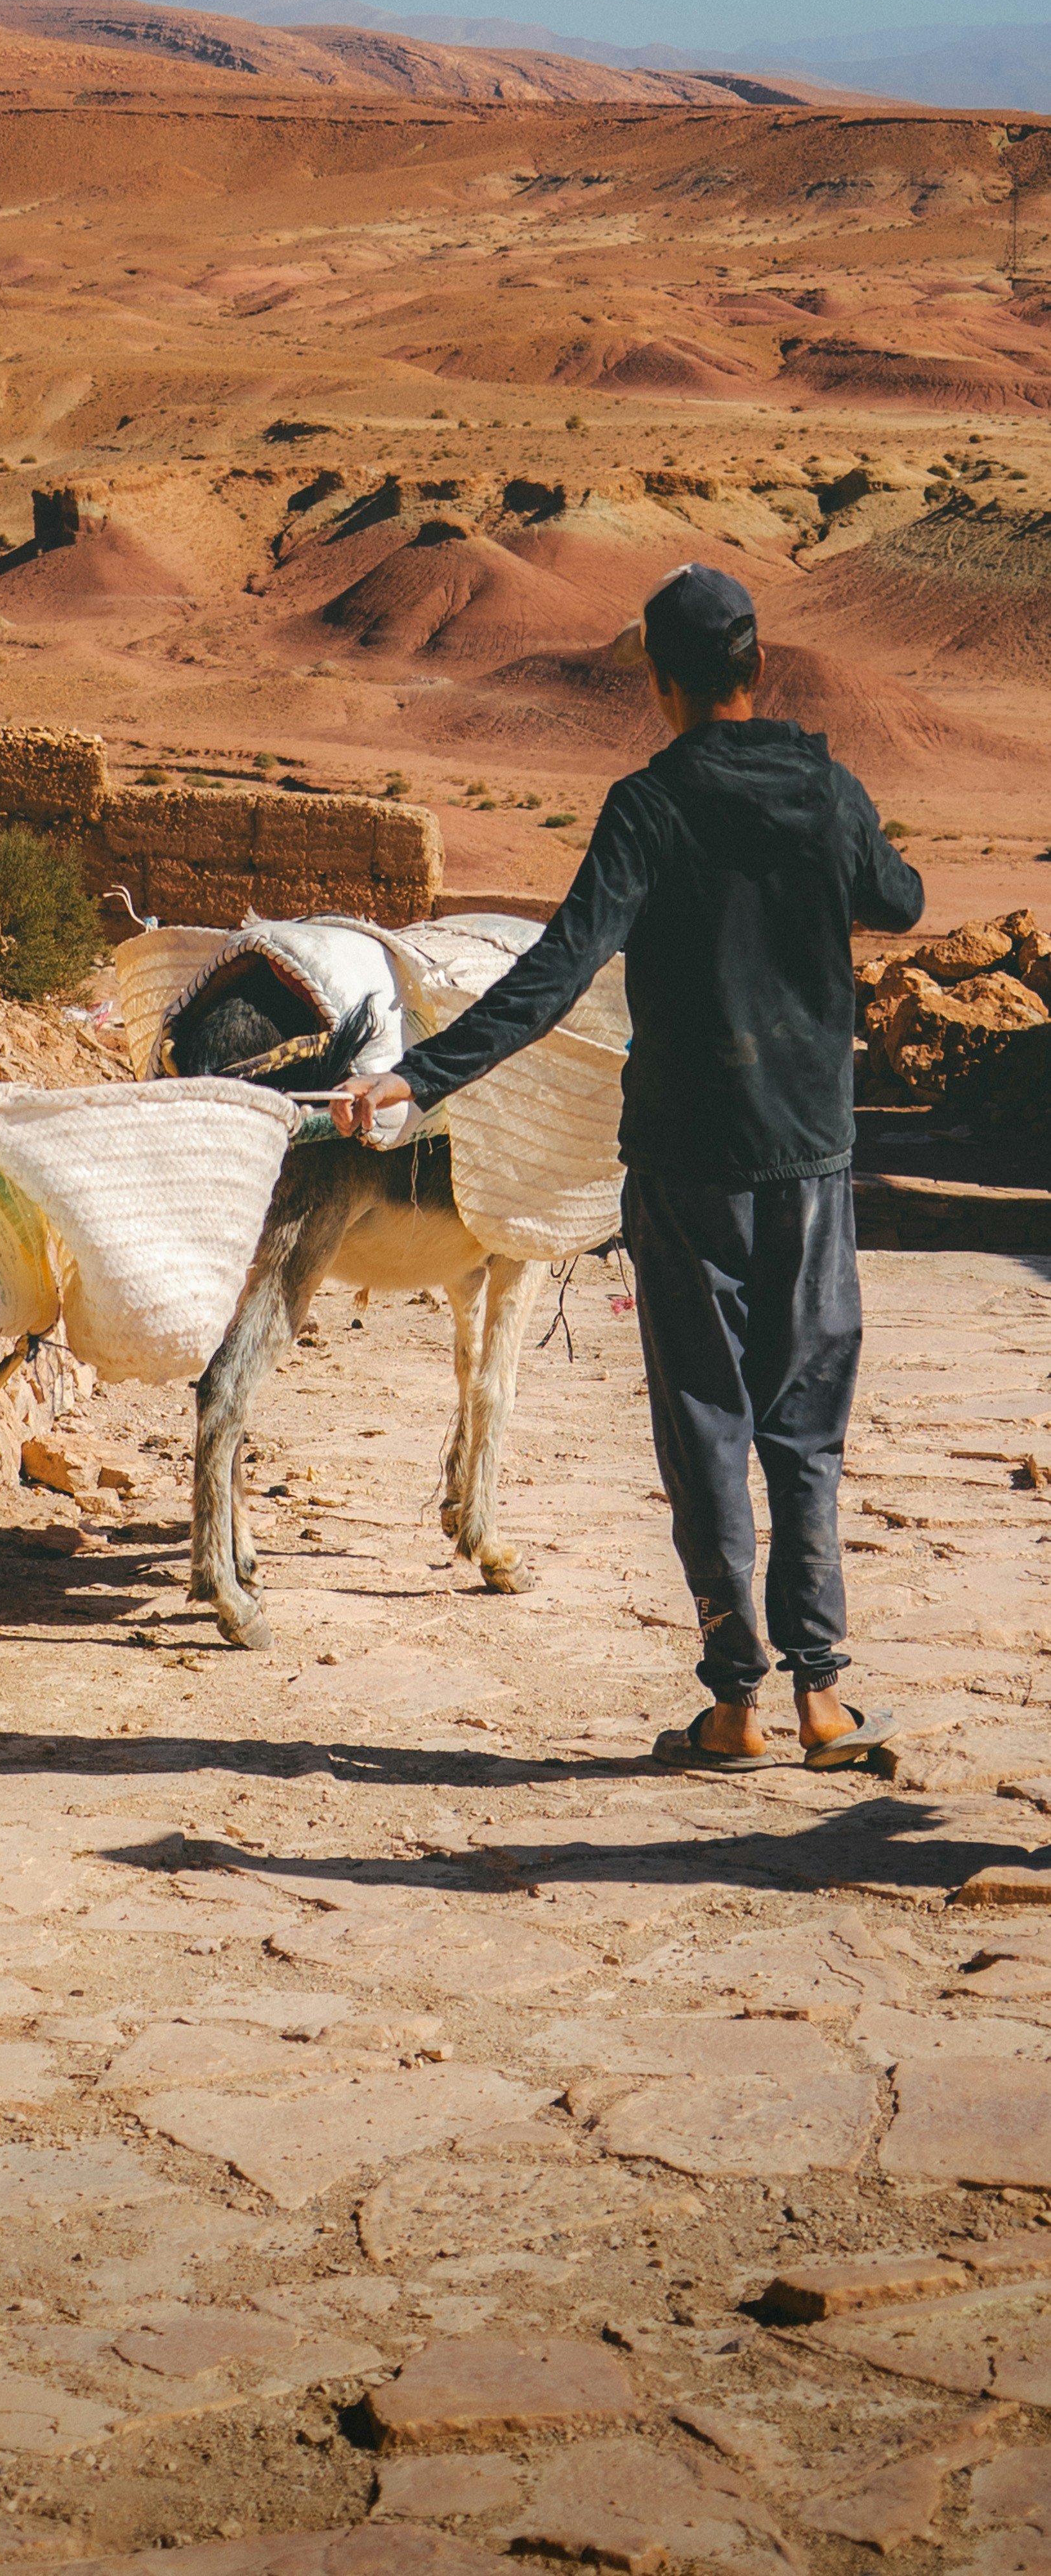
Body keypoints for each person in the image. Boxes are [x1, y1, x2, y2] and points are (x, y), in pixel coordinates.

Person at [325, 564, 924, 1770]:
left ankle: (733, 1705)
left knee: (705, 1419)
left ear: (659, 681)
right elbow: (899, 902)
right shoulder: (822, 784)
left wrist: (417, 1078)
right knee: (804, 1426)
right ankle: (822, 1697)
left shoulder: (648, 806)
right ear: (757, 668)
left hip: (685, 1162)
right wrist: (843, 827)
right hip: (812, 1154)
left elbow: (553, 973)